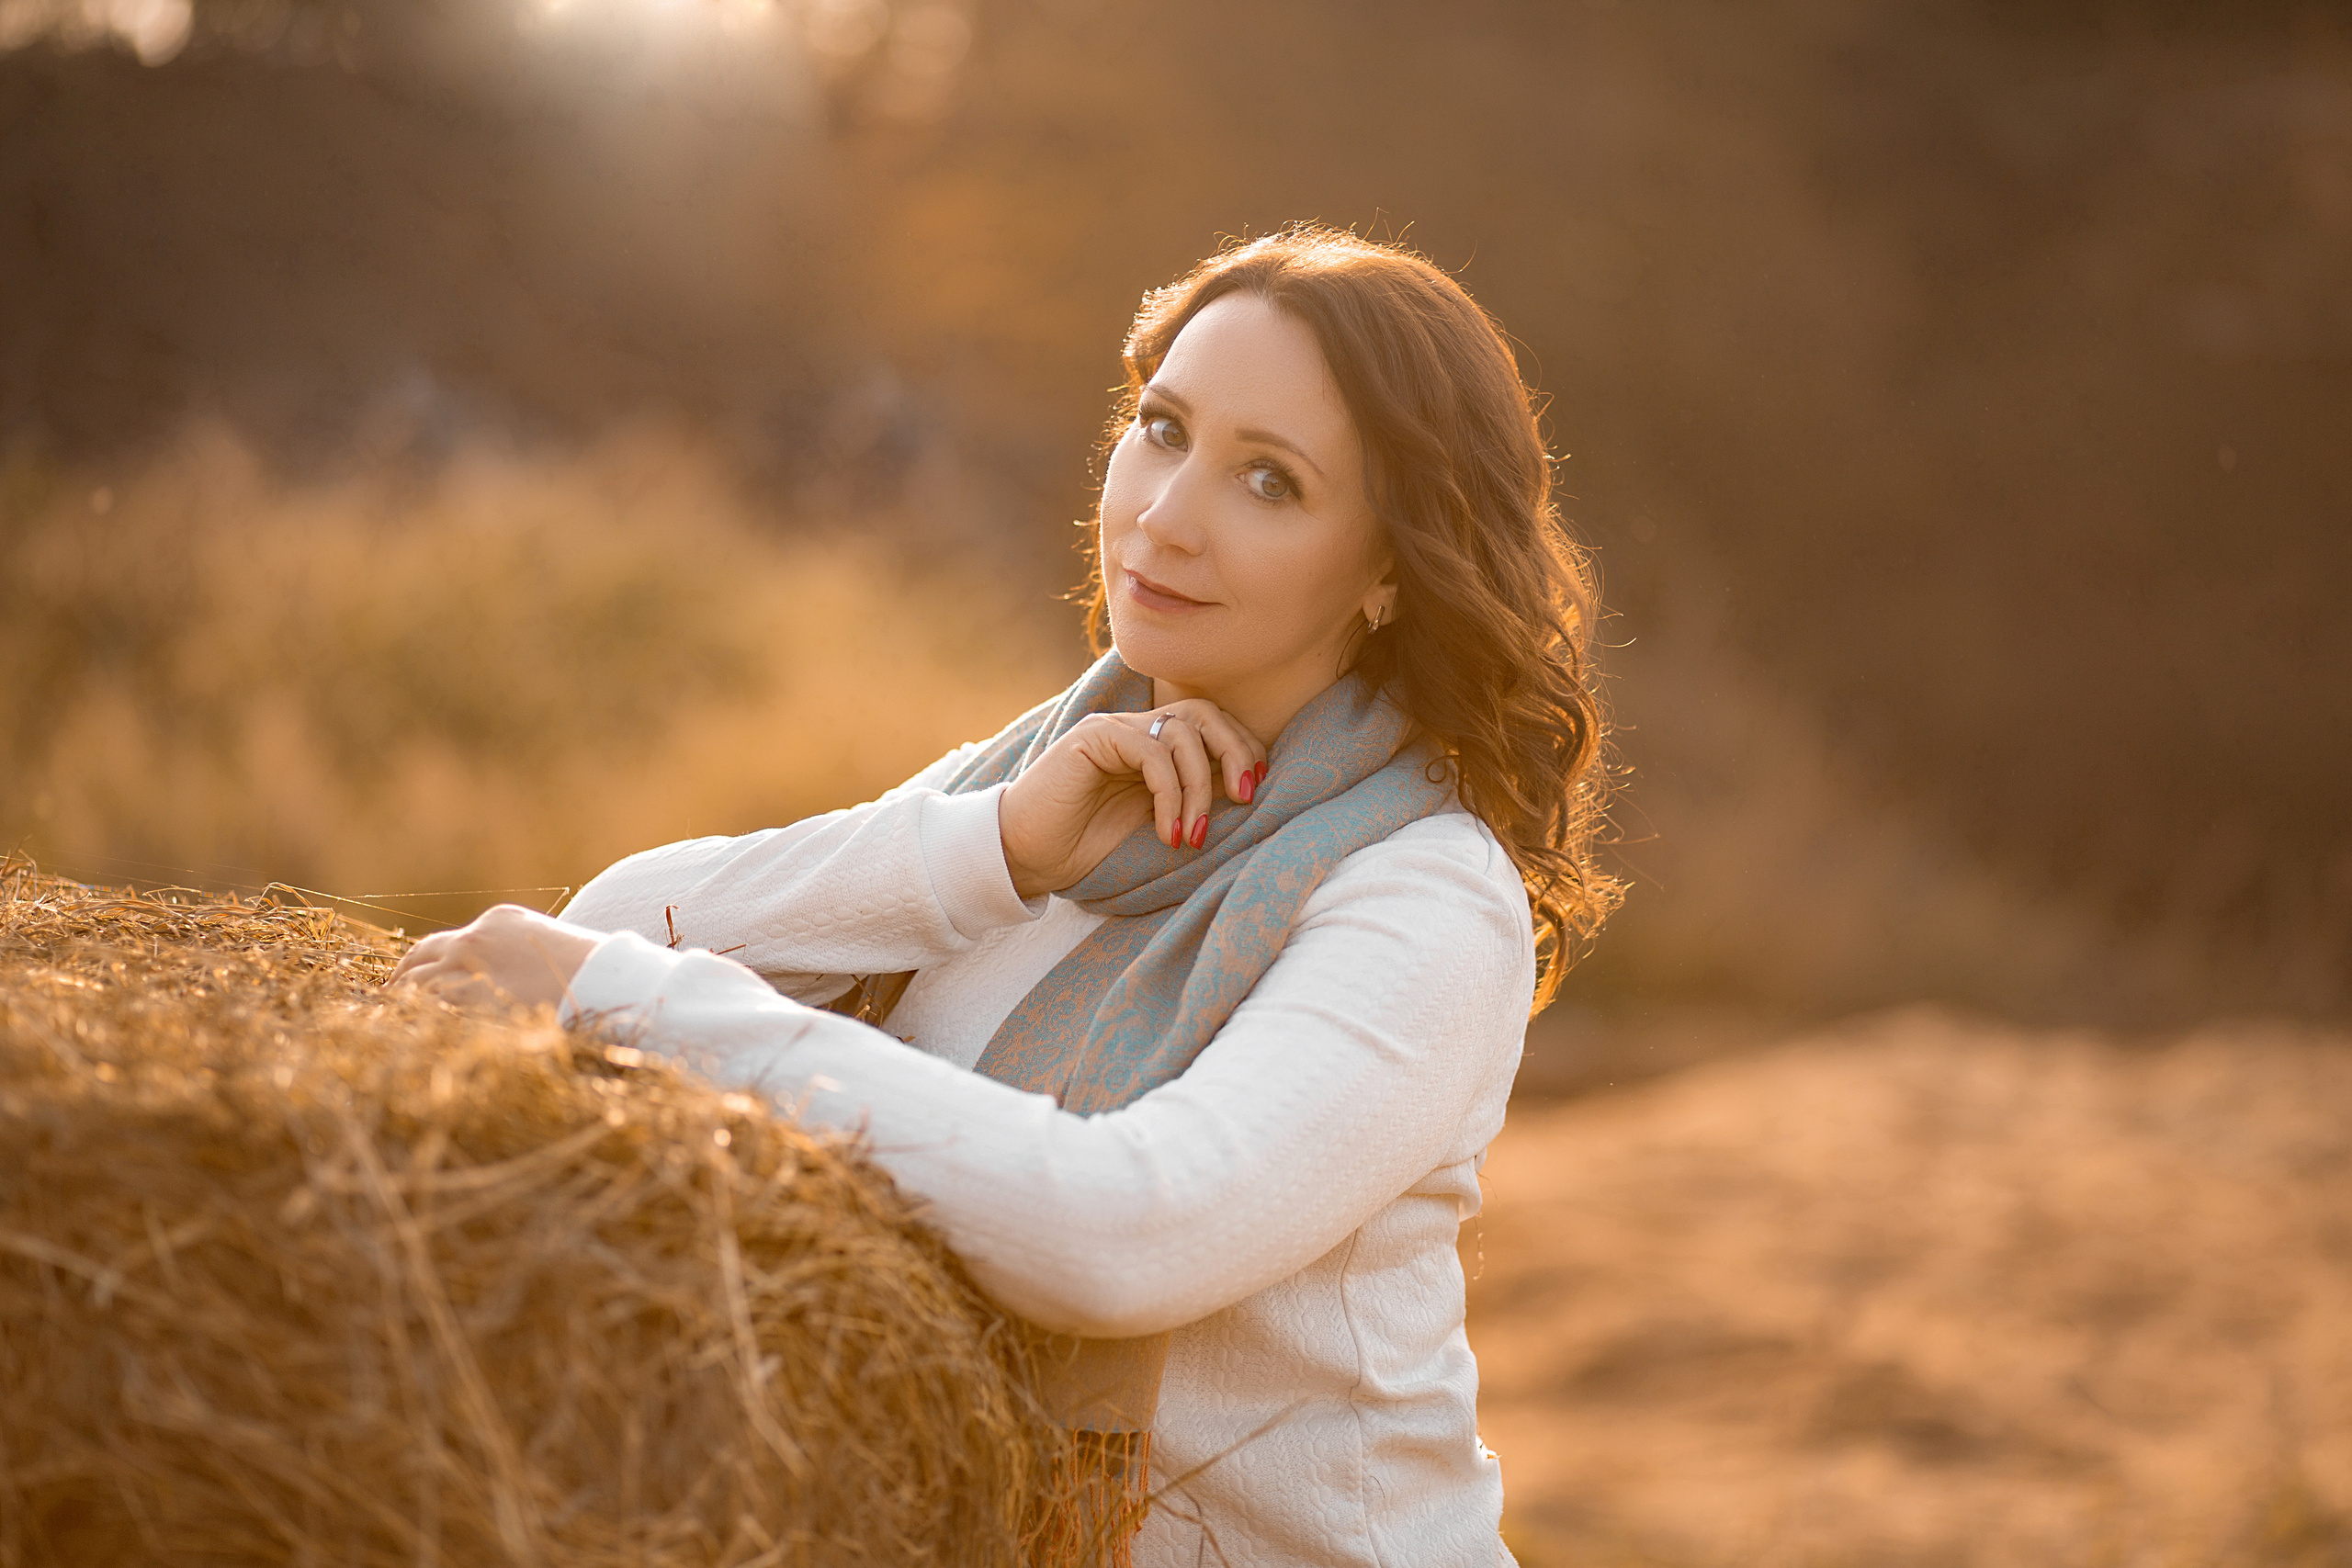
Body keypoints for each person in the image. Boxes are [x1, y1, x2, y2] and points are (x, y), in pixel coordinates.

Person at [390, 224, 1617, 1568]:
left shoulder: (1429, 899)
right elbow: (612, 923)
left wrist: (639, 1010)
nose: (1165, 514)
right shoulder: (1049, 777)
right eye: (1162, 428)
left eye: (1270, 482)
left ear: (1390, 567)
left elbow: (1127, 1231)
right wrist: (994, 855)